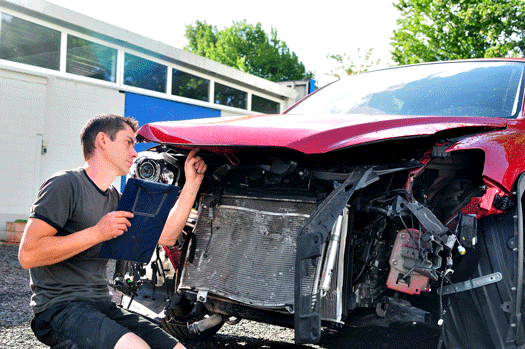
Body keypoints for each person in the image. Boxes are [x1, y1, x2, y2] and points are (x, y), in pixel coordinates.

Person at [18, 114, 207, 349]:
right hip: (59, 307)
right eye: (129, 142)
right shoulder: (65, 185)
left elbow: (166, 236)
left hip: (102, 305)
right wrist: (98, 233)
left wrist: (192, 184)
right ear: (102, 141)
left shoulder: (117, 200)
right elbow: (28, 254)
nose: (135, 152)